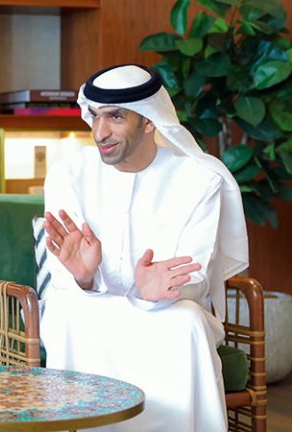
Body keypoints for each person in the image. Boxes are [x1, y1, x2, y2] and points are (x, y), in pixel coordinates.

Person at [41, 64, 248, 431]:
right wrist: (85, 278)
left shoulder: (200, 180)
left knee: (186, 321)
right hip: (90, 310)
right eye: (95, 117)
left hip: (164, 313)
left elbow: (197, 275)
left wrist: (160, 290)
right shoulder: (67, 173)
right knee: (66, 310)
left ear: (150, 120)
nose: (100, 133)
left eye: (115, 117)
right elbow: (63, 279)